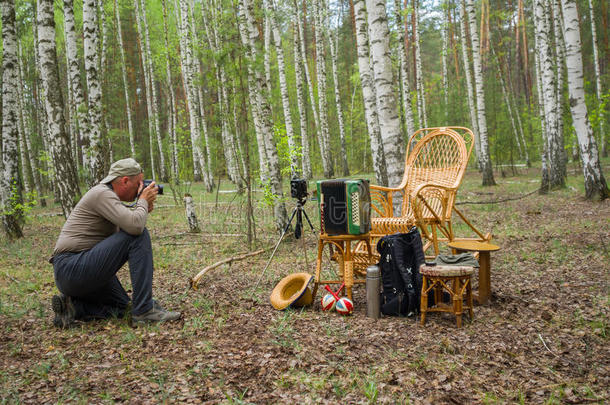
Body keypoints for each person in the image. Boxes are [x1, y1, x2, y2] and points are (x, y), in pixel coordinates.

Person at [50, 158, 180, 328]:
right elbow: (135, 229)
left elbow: (122, 234)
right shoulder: (101, 194)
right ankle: (145, 312)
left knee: (123, 307)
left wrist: (141, 208)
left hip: (77, 270)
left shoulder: (107, 196)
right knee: (139, 236)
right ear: (125, 181)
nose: (141, 188)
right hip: (71, 267)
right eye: (139, 183)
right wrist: (141, 202)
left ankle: (74, 308)